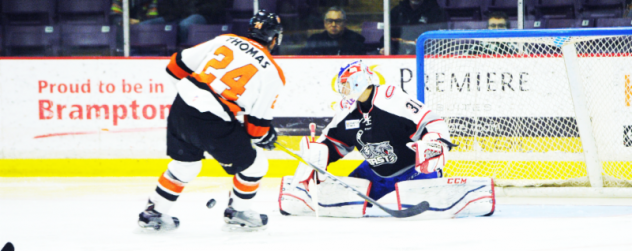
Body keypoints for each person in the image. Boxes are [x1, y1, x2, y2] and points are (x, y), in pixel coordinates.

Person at [278, 61, 495, 219]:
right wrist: (317, 156)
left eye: (345, 85)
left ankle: (474, 193)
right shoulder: (347, 112)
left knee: (427, 213)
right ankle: (298, 193)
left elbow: (432, 121)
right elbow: (334, 144)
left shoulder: (391, 98)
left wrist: (434, 142)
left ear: (358, 83)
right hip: (375, 172)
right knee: (343, 204)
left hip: (414, 170)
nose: (342, 91)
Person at [137, 10, 285, 231]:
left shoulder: (225, 40)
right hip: (212, 121)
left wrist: (196, 97)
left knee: (186, 165)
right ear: (274, 38)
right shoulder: (273, 73)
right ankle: (239, 211)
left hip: (182, 106)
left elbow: (174, 66)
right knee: (256, 164)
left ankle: (153, 212)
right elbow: (256, 129)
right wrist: (267, 136)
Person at [299, 6, 366, 55]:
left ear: (345, 23)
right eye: (330, 21)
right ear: (325, 23)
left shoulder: (356, 39)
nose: (333, 24)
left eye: (338, 21)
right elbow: (301, 60)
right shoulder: (315, 40)